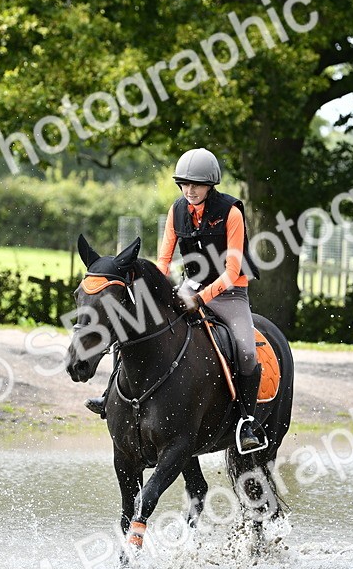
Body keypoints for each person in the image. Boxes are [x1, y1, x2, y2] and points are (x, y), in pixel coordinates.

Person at [85, 147, 267, 453]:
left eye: (196, 184)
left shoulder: (231, 212)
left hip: (230, 291)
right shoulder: (177, 210)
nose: (190, 190)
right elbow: (163, 261)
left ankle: (246, 422)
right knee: (134, 325)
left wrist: (201, 298)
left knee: (247, 353)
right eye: (184, 183)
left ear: (211, 185)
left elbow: (232, 270)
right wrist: (154, 293)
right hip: (189, 286)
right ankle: (109, 395)